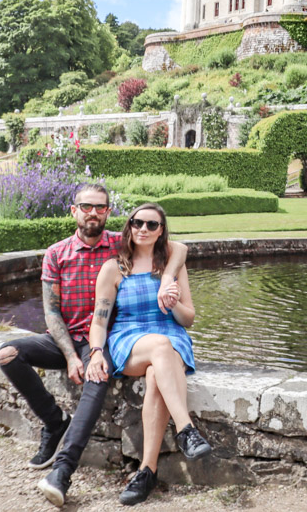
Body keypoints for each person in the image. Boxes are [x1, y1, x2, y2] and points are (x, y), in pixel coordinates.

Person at [0, 184, 180, 507]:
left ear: (108, 212)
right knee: (9, 354)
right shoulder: (56, 254)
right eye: (86, 206)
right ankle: (55, 423)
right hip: (66, 338)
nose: (93, 212)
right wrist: (69, 355)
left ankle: (62, 471)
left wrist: (167, 281)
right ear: (74, 211)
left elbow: (173, 247)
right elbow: (52, 313)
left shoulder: (121, 247)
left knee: (96, 376)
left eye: (100, 207)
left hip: (105, 339)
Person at [86, 202, 212, 506]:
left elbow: (189, 318)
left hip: (172, 337)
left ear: (161, 231)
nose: (143, 229)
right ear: (129, 226)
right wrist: (94, 352)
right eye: (137, 222)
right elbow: (99, 320)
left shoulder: (172, 265)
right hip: (130, 340)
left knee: (158, 370)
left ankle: (146, 471)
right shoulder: (114, 268)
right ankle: (186, 429)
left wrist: (172, 304)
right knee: (158, 347)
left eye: (151, 225)